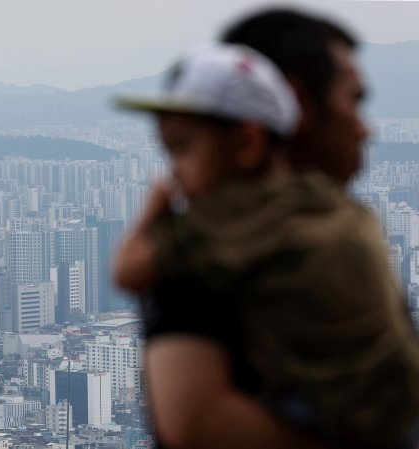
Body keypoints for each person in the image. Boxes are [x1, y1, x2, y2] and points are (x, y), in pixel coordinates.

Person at [114, 9, 419, 449]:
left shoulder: (293, 226)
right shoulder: (224, 243)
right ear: (297, 101)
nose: (364, 126)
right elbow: (197, 422)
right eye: (353, 100)